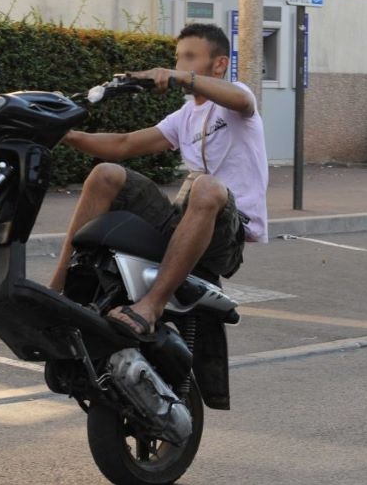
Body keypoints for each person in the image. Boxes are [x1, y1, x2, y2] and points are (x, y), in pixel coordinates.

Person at [49, 23, 269, 341]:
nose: (180, 66)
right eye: (178, 58)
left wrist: (180, 77)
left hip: (229, 233)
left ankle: (150, 307)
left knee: (204, 185)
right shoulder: (183, 117)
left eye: (190, 57)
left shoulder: (237, 98)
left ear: (219, 64)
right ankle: (58, 293)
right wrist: (66, 135)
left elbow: (242, 101)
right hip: (186, 217)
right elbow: (124, 144)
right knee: (105, 174)